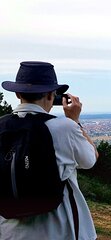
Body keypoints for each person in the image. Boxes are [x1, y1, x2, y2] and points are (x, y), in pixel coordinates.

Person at [0, 61, 98, 240]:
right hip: (60, 230)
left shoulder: (1, 127)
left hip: (10, 231)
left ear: (17, 93)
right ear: (52, 94)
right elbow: (91, 159)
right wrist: (75, 120)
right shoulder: (63, 127)